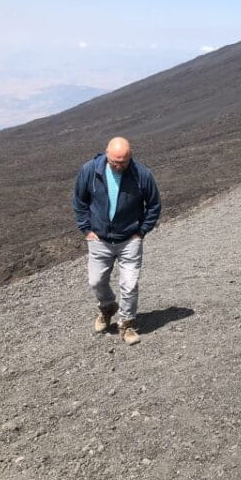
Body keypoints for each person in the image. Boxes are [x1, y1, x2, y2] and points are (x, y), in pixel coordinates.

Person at [72, 137, 162, 345]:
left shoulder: (142, 175)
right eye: (114, 161)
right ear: (106, 154)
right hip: (99, 239)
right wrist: (86, 229)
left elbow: (154, 204)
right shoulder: (90, 171)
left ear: (130, 157)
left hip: (130, 239)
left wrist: (141, 232)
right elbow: (79, 201)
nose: (119, 165)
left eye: (123, 161)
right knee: (96, 281)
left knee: (129, 285)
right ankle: (107, 307)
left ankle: (127, 324)